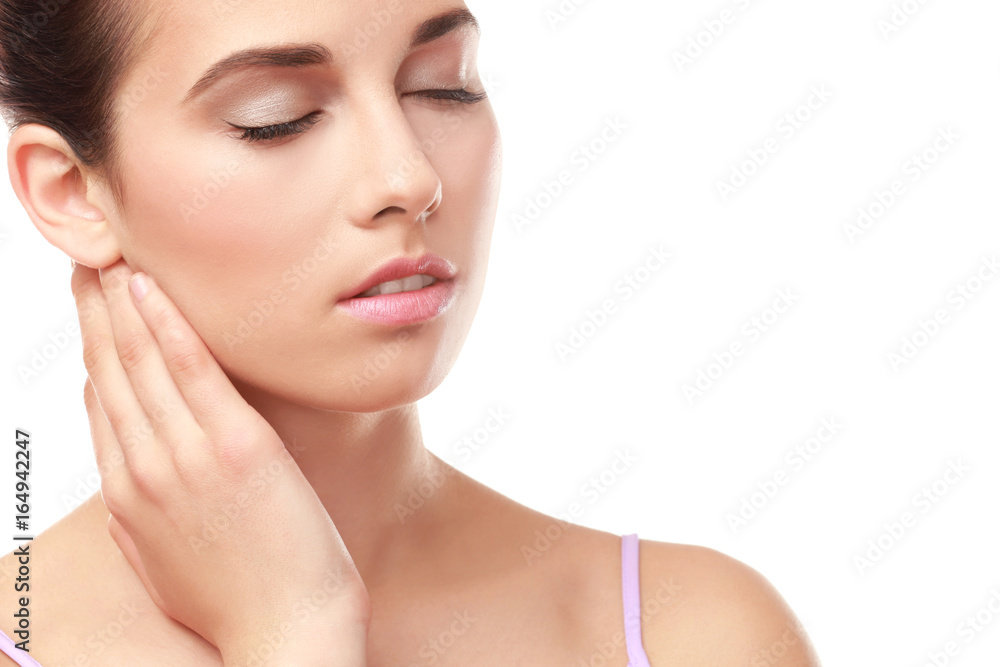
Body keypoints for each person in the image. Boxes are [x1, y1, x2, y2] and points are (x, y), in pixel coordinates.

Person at [0, 0, 821, 664]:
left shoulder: (696, 634)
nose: (409, 177)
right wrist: (292, 630)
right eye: (275, 118)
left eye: (443, 86)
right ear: (71, 190)